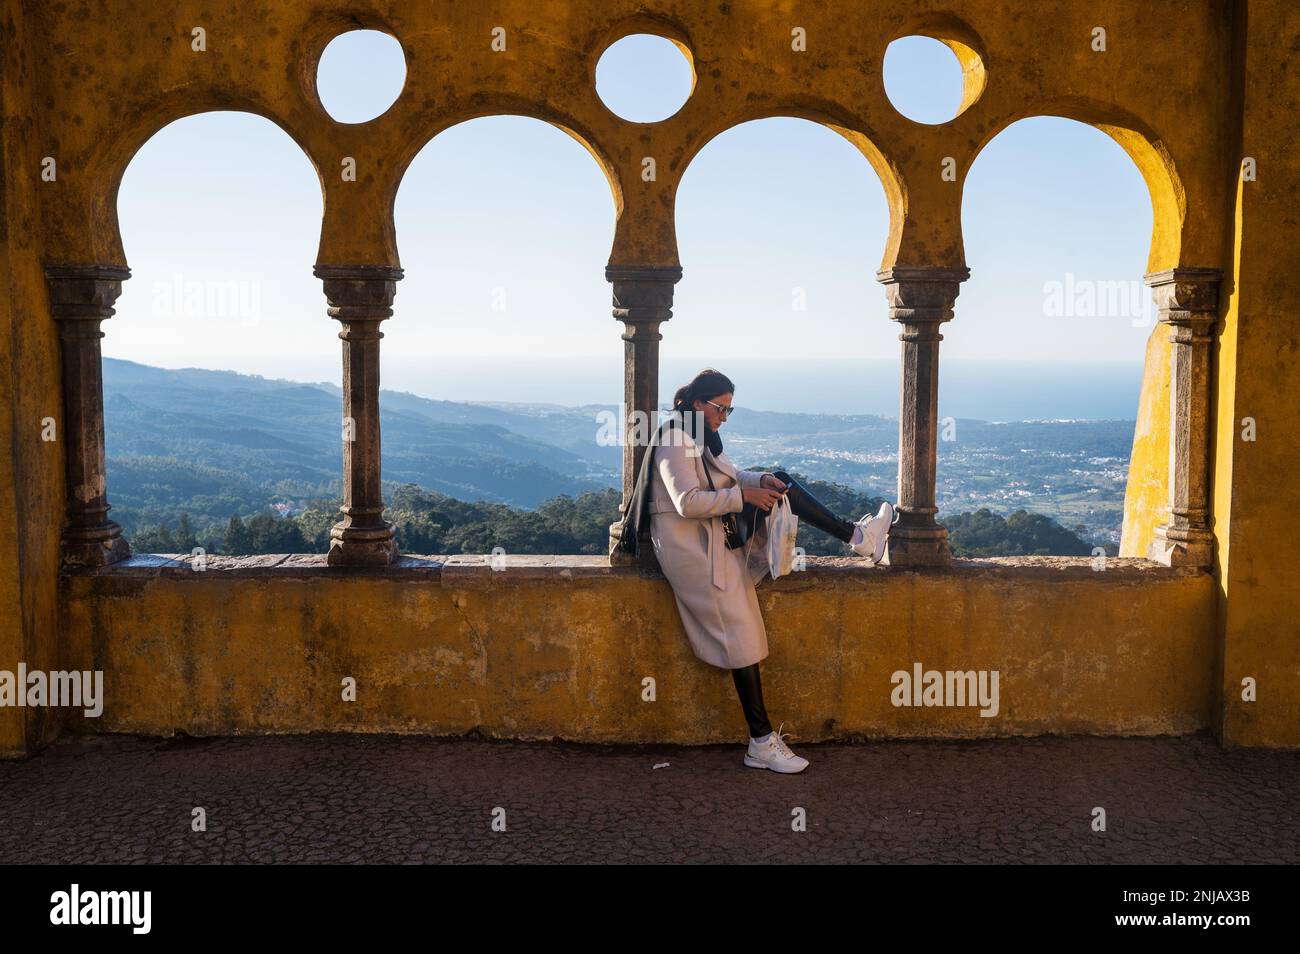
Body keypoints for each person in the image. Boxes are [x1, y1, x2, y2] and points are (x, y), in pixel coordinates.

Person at [640, 368, 894, 774]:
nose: (724, 416)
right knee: (741, 638)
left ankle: (861, 538)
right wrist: (744, 495)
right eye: (719, 408)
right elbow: (686, 501)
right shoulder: (675, 438)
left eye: (729, 409)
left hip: (712, 540)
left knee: (783, 483)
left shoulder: (697, 436)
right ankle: (760, 741)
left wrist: (759, 481)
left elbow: (730, 477)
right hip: (693, 550)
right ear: (695, 403)